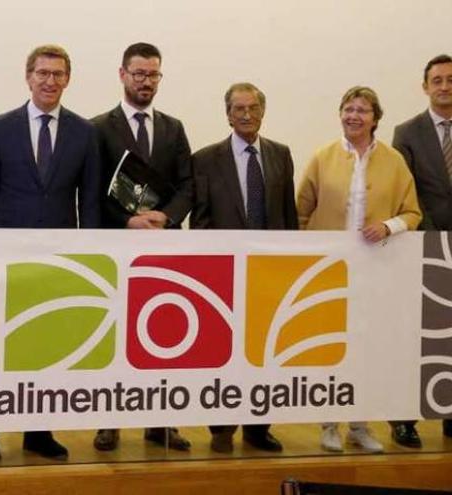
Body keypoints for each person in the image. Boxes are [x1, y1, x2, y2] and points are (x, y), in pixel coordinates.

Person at [0, 44, 101, 464]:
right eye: (42, 73)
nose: (50, 81)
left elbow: (92, 203)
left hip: (58, 262)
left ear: (68, 79)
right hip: (5, 260)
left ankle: (38, 432)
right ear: (28, 77)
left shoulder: (85, 133)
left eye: (58, 74)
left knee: (46, 348)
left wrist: (89, 257)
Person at [297, 86, 421, 454]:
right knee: (330, 347)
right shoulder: (323, 157)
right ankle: (329, 423)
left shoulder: (394, 160)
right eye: (348, 109)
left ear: (375, 118)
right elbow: (301, 212)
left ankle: (360, 424)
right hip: (330, 272)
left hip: (376, 270)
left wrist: (388, 227)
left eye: (362, 110)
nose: (354, 116)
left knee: (366, 348)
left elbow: (413, 213)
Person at [90, 42, 191, 453]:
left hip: (162, 247)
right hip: (117, 247)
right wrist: (128, 220)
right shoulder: (97, 128)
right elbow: (92, 192)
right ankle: (109, 422)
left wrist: (165, 217)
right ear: (122, 75)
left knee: (164, 333)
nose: (146, 82)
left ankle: (160, 422)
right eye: (139, 74)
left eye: (153, 75)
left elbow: (189, 185)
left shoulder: (173, 128)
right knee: (115, 336)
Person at [191, 82, 297, 454]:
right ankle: (221, 428)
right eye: (239, 109)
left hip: (270, 272)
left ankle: (257, 427)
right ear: (228, 114)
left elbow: (288, 215)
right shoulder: (204, 159)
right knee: (222, 351)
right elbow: (200, 219)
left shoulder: (281, 155)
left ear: (263, 111)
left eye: (253, 108)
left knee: (264, 351)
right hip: (222, 273)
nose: (247, 115)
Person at [391, 54, 452, 449]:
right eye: (437, 80)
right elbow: (405, 192)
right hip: (424, 249)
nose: (445, 86)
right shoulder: (407, 132)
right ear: (425, 86)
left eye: (450, 80)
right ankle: (403, 419)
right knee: (414, 338)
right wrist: (434, 240)